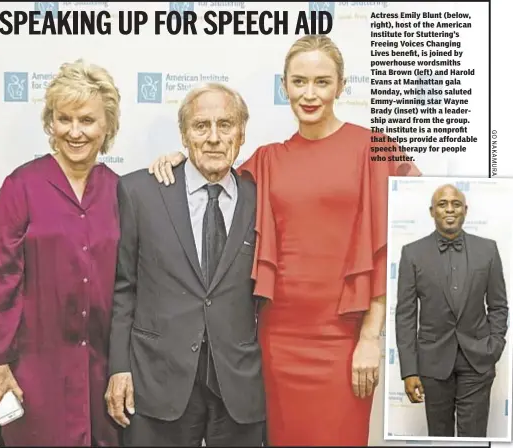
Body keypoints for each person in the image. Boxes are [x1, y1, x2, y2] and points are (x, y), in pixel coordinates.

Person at [148, 34, 421, 446]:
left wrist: (370, 337)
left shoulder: (374, 148)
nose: (309, 94)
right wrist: (179, 159)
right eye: (299, 82)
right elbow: (214, 173)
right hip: (277, 341)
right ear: (284, 87)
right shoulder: (267, 160)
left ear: (341, 86)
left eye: (322, 82)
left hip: (344, 342)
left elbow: (391, 245)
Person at [104, 82, 265, 447]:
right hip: (157, 381)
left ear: (241, 134)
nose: (212, 137)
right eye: (200, 126)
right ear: (183, 135)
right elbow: (122, 288)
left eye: (225, 125)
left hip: (237, 386)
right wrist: (119, 367)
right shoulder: (139, 192)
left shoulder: (261, 198)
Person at [0, 59, 122, 446]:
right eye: (64, 119)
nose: (75, 132)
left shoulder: (120, 191)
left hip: (101, 376)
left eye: (87, 120)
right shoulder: (20, 187)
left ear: (107, 126)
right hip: (33, 373)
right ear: (51, 123)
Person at [395, 183, 508, 438]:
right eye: (442, 204)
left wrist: (495, 345)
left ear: (465, 210)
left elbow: (499, 305)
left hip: (477, 360)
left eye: (456, 204)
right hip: (433, 362)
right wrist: (410, 370)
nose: (450, 209)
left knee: (474, 438)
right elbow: (405, 314)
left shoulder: (488, 250)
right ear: (432, 211)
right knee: (440, 437)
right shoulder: (412, 253)